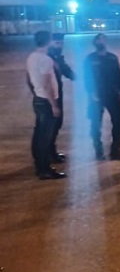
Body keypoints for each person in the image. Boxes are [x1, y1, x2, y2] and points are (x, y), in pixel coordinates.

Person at [84, 33, 120, 161]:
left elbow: (119, 77)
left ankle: (115, 150)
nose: (101, 42)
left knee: (118, 121)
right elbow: (86, 78)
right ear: (95, 43)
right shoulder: (90, 59)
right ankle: (98, 151)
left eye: (103, 39)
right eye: (99, 40)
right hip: (96, 96)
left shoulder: (112, 58)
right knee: (95, 124)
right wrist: (91, 93)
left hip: (112, 95)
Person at [26, 31, 64, 180]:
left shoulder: (31, 57)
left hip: (38, 99)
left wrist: (36, 93)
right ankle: (45, 169)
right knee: (45, 137)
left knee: (38, 135)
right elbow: (47, 84)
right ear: (48, 41)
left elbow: (28, 79)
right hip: (46, 102)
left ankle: (39, 166)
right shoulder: (45, 60)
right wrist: (54, 105)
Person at [47, 33, 74, 162]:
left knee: (56, 124)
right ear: (50, 43)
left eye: (61, 43)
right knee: (50, 126)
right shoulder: (47, 58)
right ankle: (48, 155)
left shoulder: (57, 57)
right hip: (50, 97)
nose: (60, 46)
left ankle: (52, 153)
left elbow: (66, 70)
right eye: (57, 43)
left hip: (58, 94)